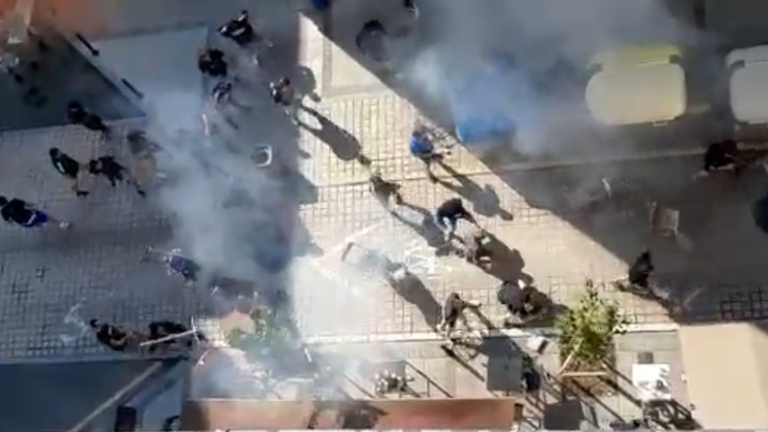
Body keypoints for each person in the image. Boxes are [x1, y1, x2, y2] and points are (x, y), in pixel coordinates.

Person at [0, 195, 69, 229]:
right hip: (32, 215)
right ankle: (60, 224)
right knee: (47, 218)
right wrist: (36, 205)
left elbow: (9, 221)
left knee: (38, 224)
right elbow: (27, 204)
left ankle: (48, 228)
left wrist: (16, 220)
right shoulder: (14, 201)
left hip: (25, 223)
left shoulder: (3, 212)